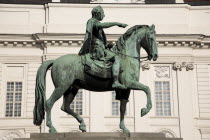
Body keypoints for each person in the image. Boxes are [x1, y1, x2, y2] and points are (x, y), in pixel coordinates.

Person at [78, 5, 128, 89]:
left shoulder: (95, 23)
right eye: (103, 13)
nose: (103, 15)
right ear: (97, 13)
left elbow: (99, 39)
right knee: (117, 58)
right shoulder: (92, 21)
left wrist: (107, 46)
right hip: (97, 50)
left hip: (101, 48)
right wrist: (117, 23)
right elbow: (103, 25)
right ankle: (115, 82)